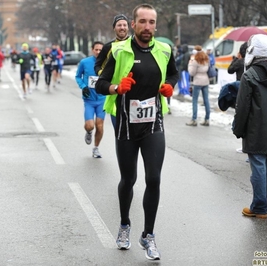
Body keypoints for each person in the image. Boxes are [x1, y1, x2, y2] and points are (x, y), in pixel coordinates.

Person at [95, 3, 178, 260]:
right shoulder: (118, 50)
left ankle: (149, 235)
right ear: (133, 25)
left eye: (151, 22)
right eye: (142, 22)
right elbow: (100, 83)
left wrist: (169, 87)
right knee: (128, 179)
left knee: (153, 179)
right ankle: (124, 225)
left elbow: (174, 74)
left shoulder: (164, 50)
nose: (147, 27)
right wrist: (117, 88)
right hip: (126, 125)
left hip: (153, 124)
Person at [233, 34, 267, 218]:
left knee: (259, 168)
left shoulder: (249, 75)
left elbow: (242, 106)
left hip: (255, 128)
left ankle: (259, 207)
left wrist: (238, 129)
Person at [95, 13, 130, 128]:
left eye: (124, 25)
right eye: (119, 25)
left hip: (132, 90)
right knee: (120, 132)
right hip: (115, 91)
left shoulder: (135, 44)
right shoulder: (108, 47)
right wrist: (103, 75)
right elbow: (98, 65)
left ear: (128, 27)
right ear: (114, 28)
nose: (122, 27)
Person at [75, 41, 105, 158]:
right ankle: (88, 132)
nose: (98, 52)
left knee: (100, 125)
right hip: (89, 100)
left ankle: (96, 148)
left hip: (102, 99)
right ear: (92, 50)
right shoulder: (85, 62)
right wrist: (83, 86)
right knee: (90, 125)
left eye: (100, 50)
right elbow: (78, 76)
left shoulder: (107, 63)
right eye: (96, 49)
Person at [186, 45, 211, 126]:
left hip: (197, 81)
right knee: (206, 100)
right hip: (205, 80)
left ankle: (194, 119)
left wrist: (190, 64)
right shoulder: (206, 59)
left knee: (195, 100)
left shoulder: (195, 61)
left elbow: (192, 73)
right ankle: (207, 119)